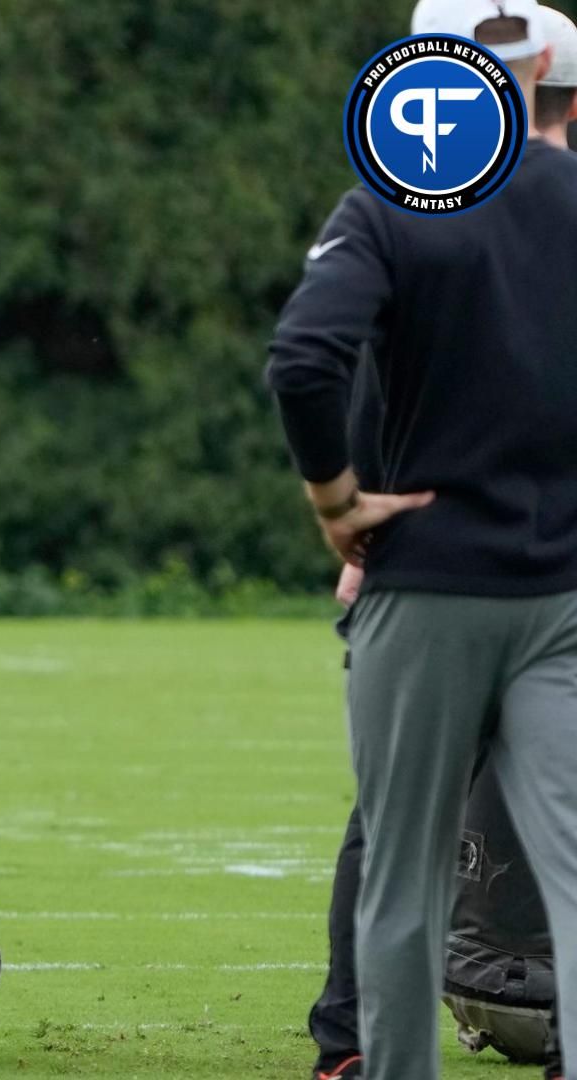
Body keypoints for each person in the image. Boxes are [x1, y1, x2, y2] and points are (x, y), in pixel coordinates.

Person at [268, 0, 577, 1075]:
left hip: (428, 581)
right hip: (567, 596)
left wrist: (338, 504)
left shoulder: (393, 207)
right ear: (567, 94)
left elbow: (308, 360)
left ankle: (363, 1058)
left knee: (401, 871)